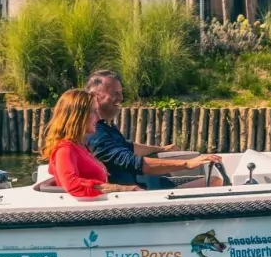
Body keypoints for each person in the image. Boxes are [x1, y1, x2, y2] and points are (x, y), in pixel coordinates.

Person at [84, 69, 221, 185]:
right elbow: (131, 162)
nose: (121, 98)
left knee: (214, 180)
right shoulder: (94, 133)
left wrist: (161, 149)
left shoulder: (105, 127)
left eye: (121, 92)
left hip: (144, 186)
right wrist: (187, 164)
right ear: (95, 97)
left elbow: (129, 147)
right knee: (214, 182)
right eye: (115, 93)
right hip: (135, 199)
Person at [41, 88, 144, 199]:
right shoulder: (65, 149)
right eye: (94, 112)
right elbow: (72, 184)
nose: (99, 118)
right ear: (78, 117)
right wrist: (120, 188)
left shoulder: (80, 145)